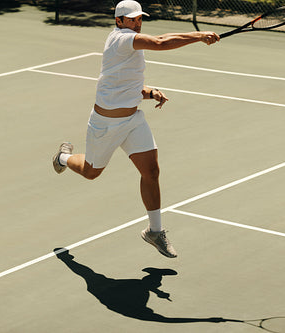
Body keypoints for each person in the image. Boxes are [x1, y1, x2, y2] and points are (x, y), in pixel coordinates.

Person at [53, 0, 220, 258]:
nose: (137, 22)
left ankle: (155, 231)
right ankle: (63, 156)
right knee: (90, 172)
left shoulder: (132, 43)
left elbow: (124, 83)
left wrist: (149, 92)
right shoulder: (120, 39)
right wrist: (199, 36)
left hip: (133, 121)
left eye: (139, 18)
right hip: (105, 124)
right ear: (119, 21)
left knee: (151, 171)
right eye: (131, 19)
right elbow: (162, 42)